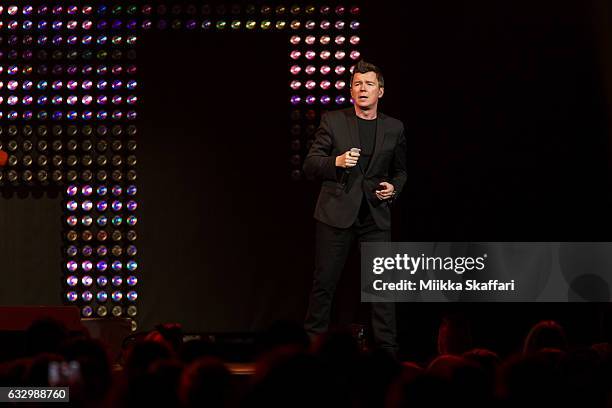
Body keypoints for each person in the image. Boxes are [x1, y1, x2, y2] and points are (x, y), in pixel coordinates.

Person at [303, 60, 407, 356]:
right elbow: (311, 163)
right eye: (358, 84)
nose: (363, 89)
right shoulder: (334, 121)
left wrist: (394, 188)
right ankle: (312, 352)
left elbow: (401, 171)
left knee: (383, 290)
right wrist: (335, 162)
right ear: (351, 90)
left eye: (369, 84)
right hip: (335, 214)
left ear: (380, 91)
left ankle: (387, 353)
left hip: (375, 215)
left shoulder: (394, 127)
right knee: (324, 285)